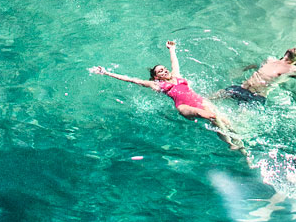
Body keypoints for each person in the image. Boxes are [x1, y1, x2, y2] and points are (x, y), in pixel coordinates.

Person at [90, 40, 242, 149]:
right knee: (209, 116)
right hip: (184, 107)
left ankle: (239, 142)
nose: (164, 71)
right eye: (159, 71)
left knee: (223, 120)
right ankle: (230, 143)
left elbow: (174, 62)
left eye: (164, 69)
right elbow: (131, 79)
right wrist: (107, 73)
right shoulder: (157, 84)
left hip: (198, 100)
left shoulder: (176, 75)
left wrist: (171, 49)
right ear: (156, 77)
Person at [223, 47, 296, 106]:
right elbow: (255, 65)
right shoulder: (270, 60)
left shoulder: (295, 70)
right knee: (211, 98)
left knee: (239, 125)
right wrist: (240, 70)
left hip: (256, 97)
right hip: (242, 88)